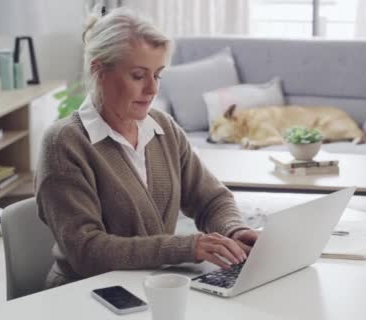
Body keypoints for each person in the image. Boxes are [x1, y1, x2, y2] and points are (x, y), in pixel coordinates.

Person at [34, 6, 258, 288]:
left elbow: (211, 199)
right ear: (99, 70)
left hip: (151, 286)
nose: (152, 89)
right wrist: (188, 247)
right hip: (85, 294)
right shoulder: (64, 144)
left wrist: (234, 230)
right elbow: (87, 250)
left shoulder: (163, 128)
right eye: (139, 76)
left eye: (158, 74)